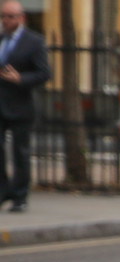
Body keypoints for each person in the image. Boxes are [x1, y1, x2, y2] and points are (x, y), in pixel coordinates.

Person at [0, 0, 51, 212]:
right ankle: (4, 191)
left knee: (21, 152)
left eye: (10, 16)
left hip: (22, 105)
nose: (6, 20)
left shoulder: (34, 41)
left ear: (21, 18)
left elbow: (44, 73)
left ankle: (20, 196)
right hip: (0, 105)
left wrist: (20, 78)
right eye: (3, 16)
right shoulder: (1, 40)